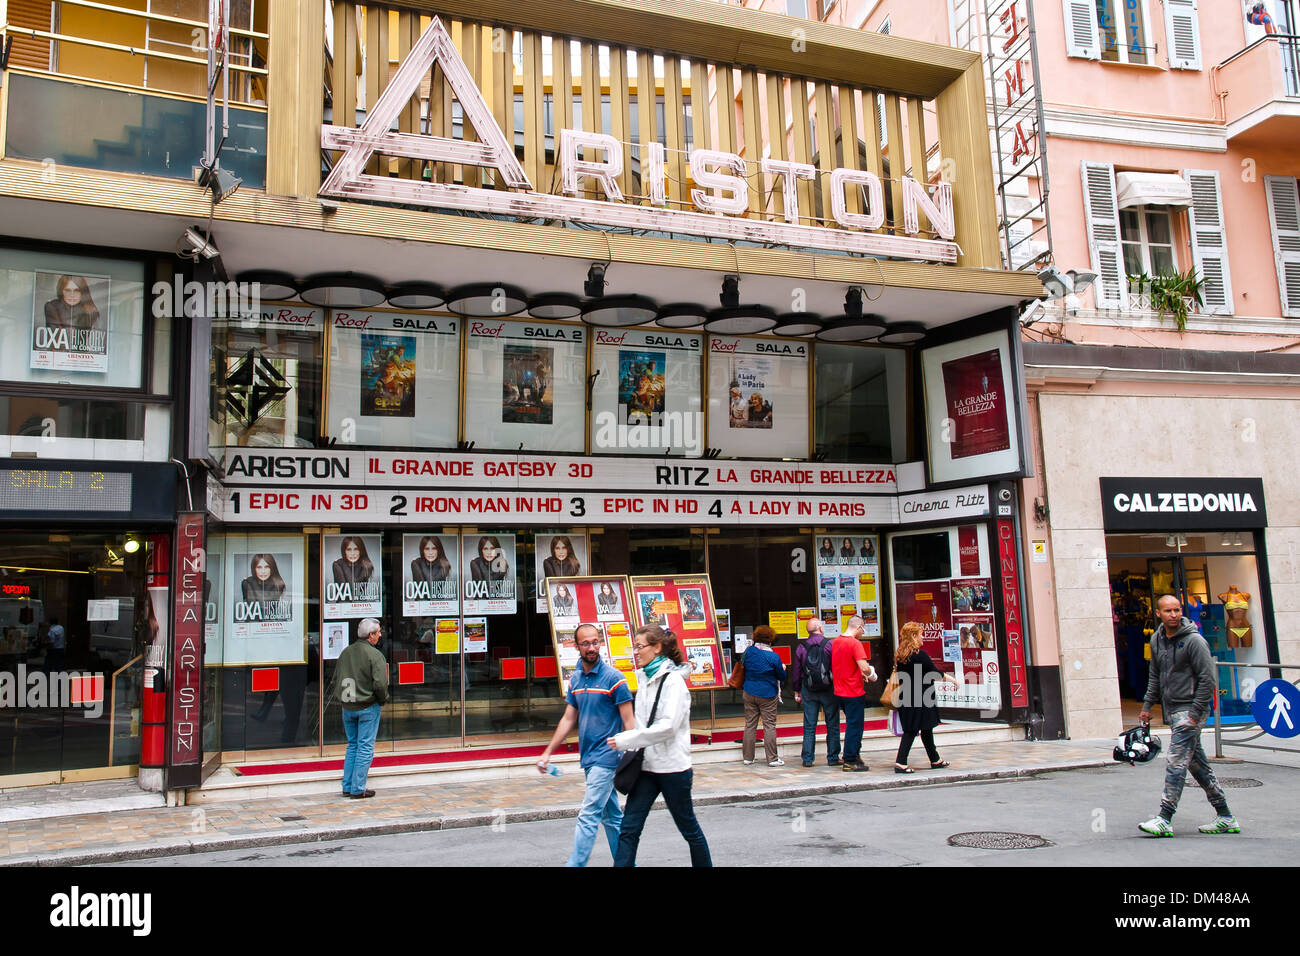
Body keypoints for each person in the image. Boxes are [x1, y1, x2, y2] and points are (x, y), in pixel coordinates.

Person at [608, 625, 712, 867]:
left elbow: (668, 727)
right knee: (629, 828)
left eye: (640, 646)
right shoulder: (644, 677)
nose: (635, 651)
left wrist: (627, 740)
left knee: (689, 829)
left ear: (656, 648)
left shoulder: (674, 682)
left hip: (673, 769)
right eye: (634, 646)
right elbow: (643, 722)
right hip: (646, 767)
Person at [1137, 595, 1239, 836]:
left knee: (1175, 760)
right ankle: (1225, 816)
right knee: (1196, 764)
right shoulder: (1157, 640)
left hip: (1191, 709)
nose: (1173, 614)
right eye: (1168, 611)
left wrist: (1195, 714)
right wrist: (1147, 705)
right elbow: (1155, 674)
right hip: (1172, 709)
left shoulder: (1194, 641)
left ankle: (1164, 817)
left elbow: (1208, 679)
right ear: (1159, 613)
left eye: (1177, 610)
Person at [537, 622, 635, 867]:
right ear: (575, 645)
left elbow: (630, 722)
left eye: (595, 642)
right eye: (586, 643)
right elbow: (569, 718)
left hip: (607, 758)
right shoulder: (577, 678)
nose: (592, 647)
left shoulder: (615, 679)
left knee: (589, 814)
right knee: (612, 818)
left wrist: (633, 757)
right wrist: (548, 753)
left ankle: (576, 864)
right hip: (589, 758)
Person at [336, 618, 389, 799]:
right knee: (365, 746)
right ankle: (358, 788)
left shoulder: (346, 652)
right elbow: (381, 684)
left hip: (348, 705)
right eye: (378, 632)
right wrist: (382, 700)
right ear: (370, 635)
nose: (380, 635)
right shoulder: (375, 655)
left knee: (352, 745)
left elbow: (337, 678)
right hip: (368, 705)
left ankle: (348, 785)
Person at [891, 621, 949, 773]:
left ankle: (935, 759)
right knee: (912, 730)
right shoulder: (919, 655)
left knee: (926, 728)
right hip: (922, 698)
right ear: (914, 636)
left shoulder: (901, 655)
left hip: (907, 696)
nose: (923, 638)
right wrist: (953, 680)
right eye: (921, 634)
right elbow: (935, 673)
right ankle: (901, 762)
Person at [792, 617, 840, 768]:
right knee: (832, 724)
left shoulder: (801, 647)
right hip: (829, 689)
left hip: (809, 689)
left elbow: (797, 672)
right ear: (820, 627)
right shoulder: (830, 645)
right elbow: (836, 667)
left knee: (809, 725)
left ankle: (807, 758)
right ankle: (833, 757)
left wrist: (797, 690)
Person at [832, 615, 877, 771]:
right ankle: (850, 759)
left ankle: (855, 755)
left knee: (852, 723)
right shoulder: (855, 643)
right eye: (863, 629)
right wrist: (870, 674)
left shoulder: (836, 641)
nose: (863, 633)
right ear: (859, 627)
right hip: (853, 691)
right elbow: (864, 666)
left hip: (839, 690)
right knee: (855, 726)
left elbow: (845, 664)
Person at [741, 624, 787, 767]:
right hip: (767, 693)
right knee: (769, 726)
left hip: (749, 691)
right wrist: (783, 667)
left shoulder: (748, 651)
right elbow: (782, 676)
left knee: (750, 724)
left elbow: (744, 666)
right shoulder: (773, 657)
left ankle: (748, 758)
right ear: (770, 639)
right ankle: (772, 759)